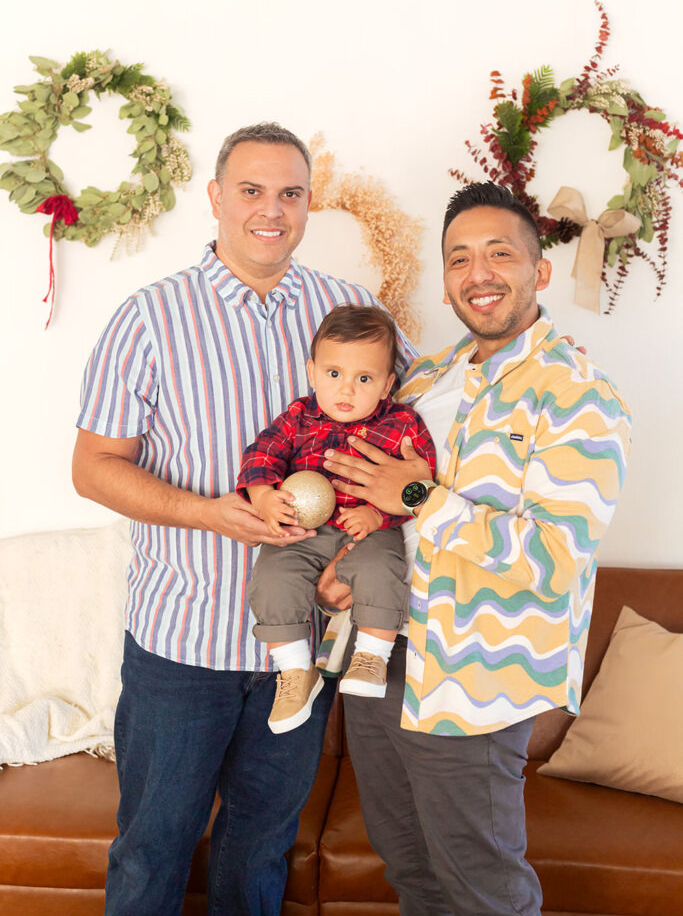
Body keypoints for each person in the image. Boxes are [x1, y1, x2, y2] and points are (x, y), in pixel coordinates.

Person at [71, 122, 416, 916]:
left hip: (301, 647)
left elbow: (404, 447)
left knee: (262, 850)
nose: (272, 209)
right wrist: (207, 513)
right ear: (216, 198)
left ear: (307, 204)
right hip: (181, 646)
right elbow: (92, 468)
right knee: (152, 848)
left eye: (290, 193)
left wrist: (352, 552)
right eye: (252, 190)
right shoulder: (149, 318)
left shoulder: (351, 310)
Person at [321, 181, 632, 916]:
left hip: (471, 686)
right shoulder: (424, 376)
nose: (477, 273)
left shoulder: (579, 395)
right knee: (409, 871)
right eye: (458, 258)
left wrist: (419, 497)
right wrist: (339, 567)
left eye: (498, 253)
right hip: (378, 654)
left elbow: (554, 559)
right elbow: (371, 500)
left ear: (538, 271)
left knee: (481, 891)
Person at [237, 304, 436, 733]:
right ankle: (293, 672)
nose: (346, 389)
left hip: (368, 530)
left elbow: (422, 482)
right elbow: (261, 454)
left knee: (382, 568)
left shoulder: (403, 424)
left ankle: (371, 658)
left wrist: (379, 512)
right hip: (303, 530)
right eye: (333, 374)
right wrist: (263, 495)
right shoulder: (299, 417)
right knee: (271, 576)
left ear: (387, 385)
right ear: (312, 372)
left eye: (363, 379)